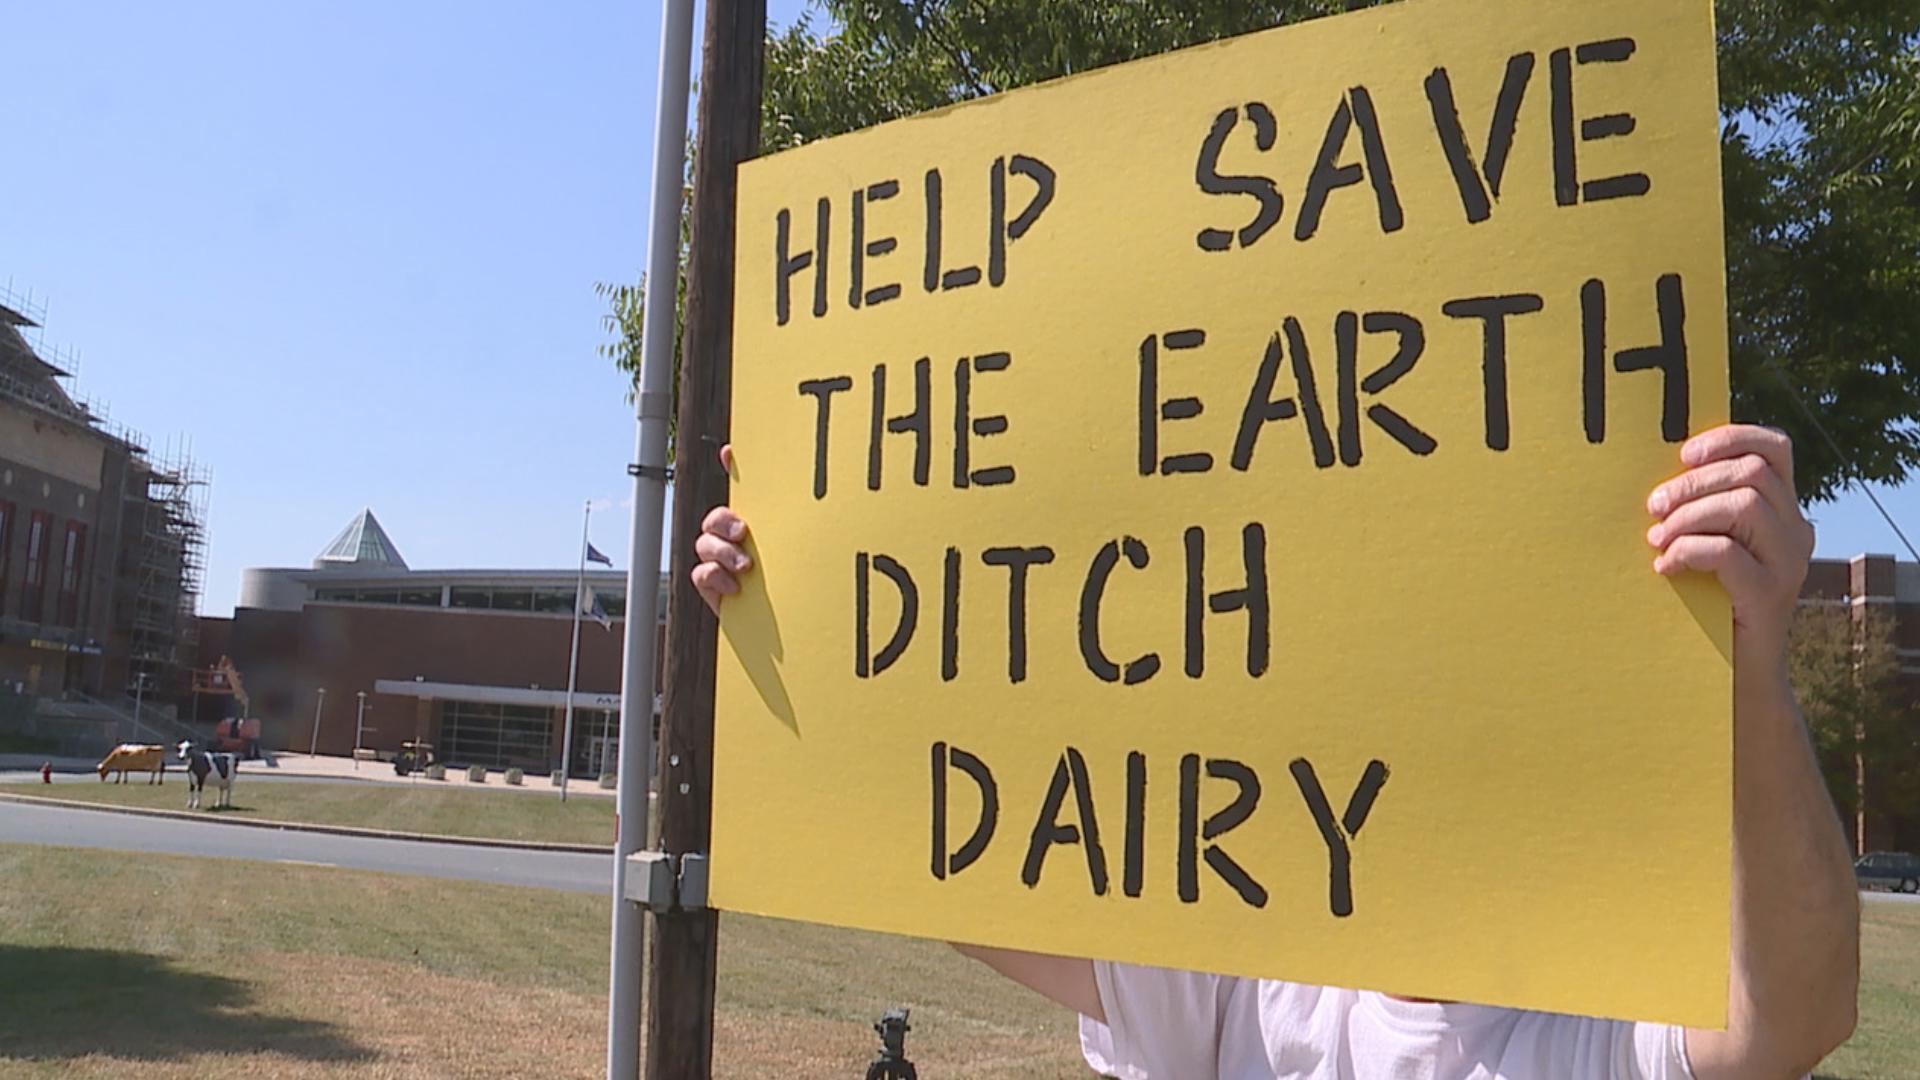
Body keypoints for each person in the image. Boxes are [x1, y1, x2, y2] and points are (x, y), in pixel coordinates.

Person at [690, 424, 1859, 1079]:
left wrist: (1747, 671)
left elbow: (1796, 1015)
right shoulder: (1250, 968)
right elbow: (941, 865)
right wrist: (805, 615)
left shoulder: (1587, 1031)